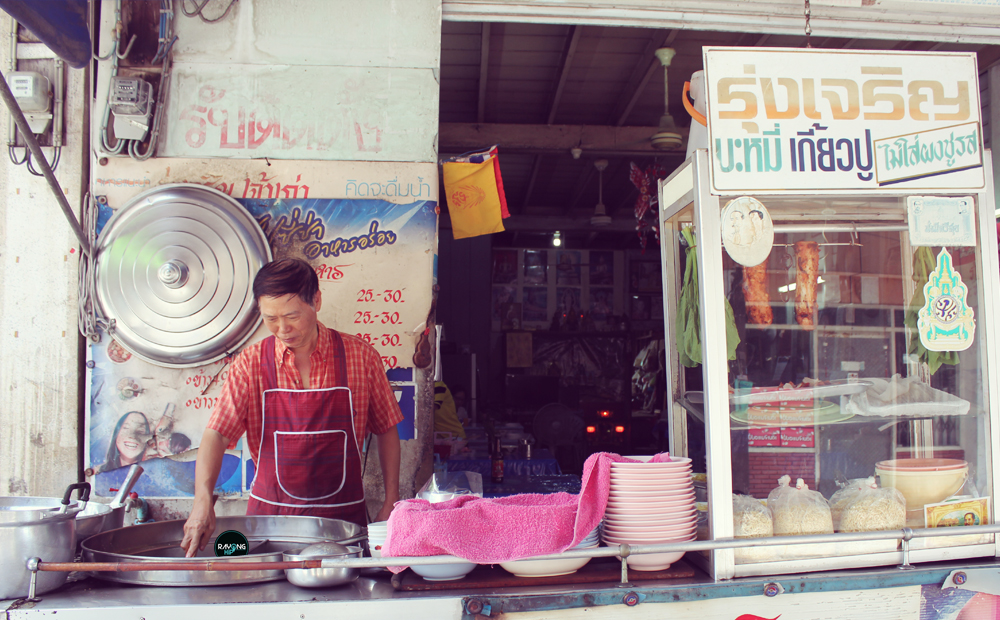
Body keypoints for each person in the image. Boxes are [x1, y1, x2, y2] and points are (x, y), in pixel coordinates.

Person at [181, 258, 403, 557]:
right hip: (269, 522)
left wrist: (391, 500)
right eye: (270, 318)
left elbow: (386, 428)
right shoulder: (250, 364)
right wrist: (202, 501)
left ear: (317, 301)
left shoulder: (360, 357)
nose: (282, 328)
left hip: (343, 523)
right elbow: (217, 434)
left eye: (292, 316)